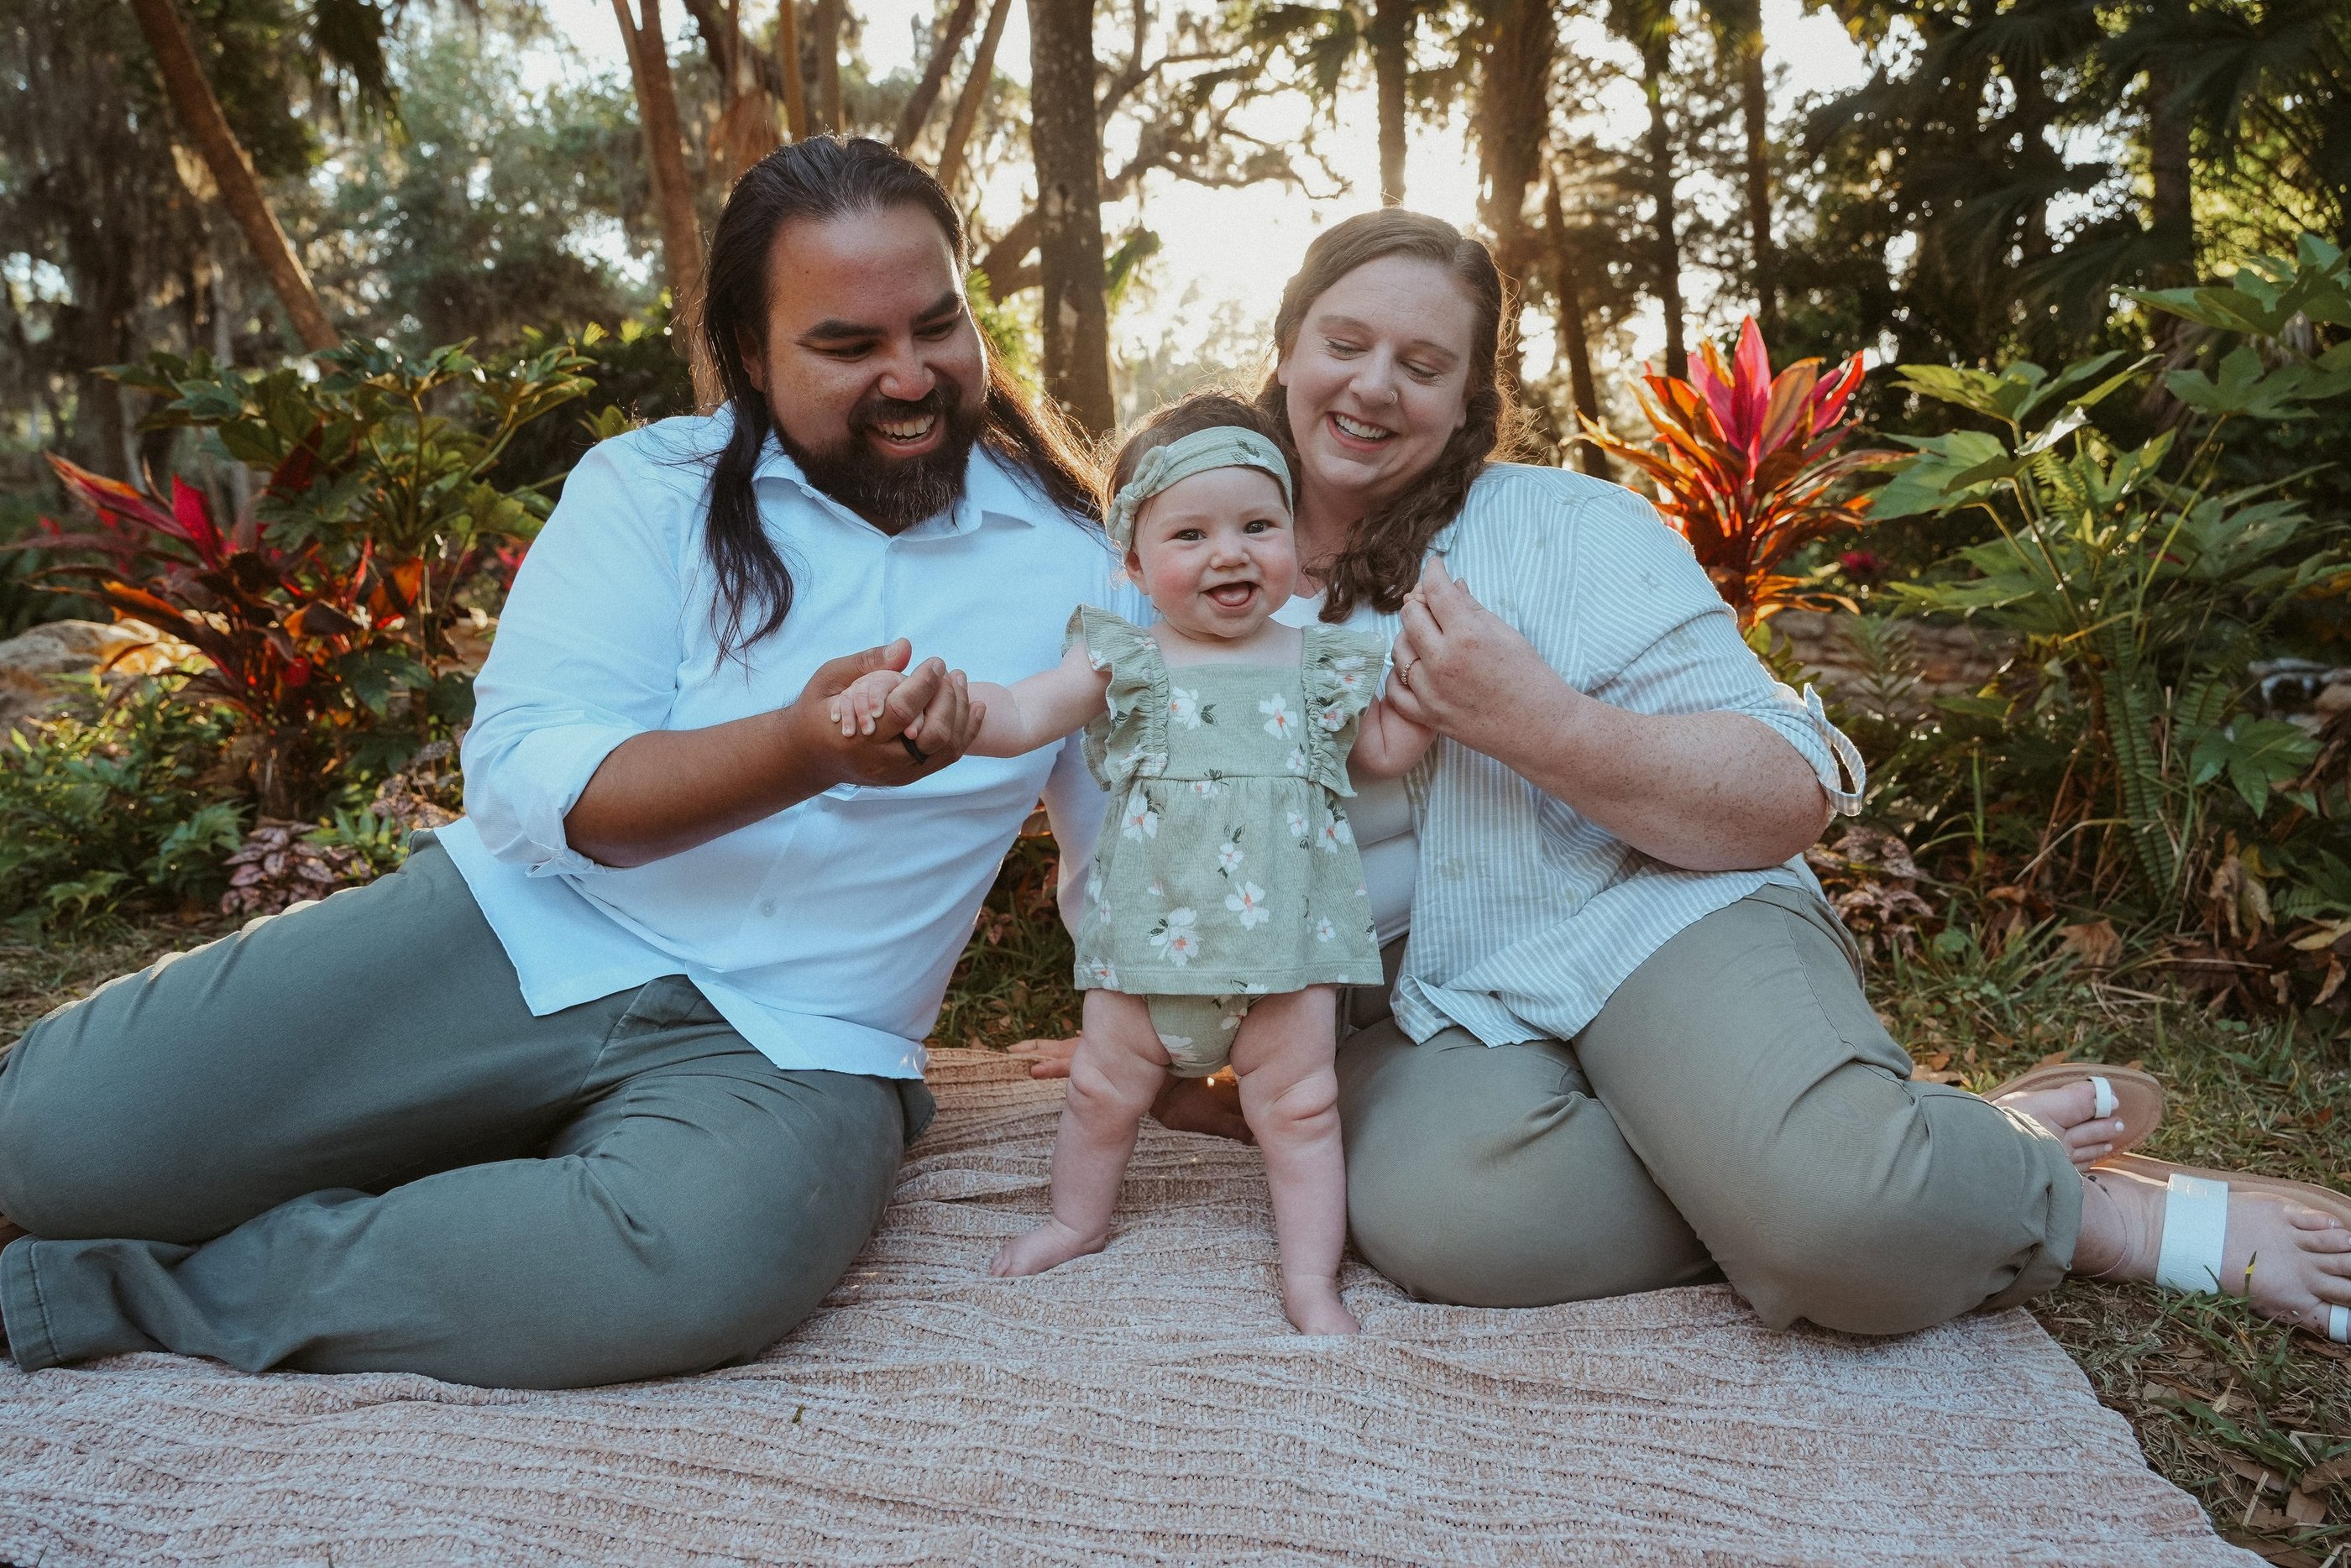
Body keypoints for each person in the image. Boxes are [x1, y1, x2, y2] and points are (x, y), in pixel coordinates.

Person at [1020, 207, 2351, 1346]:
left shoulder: (1565, 528)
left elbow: (1787, 789)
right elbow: (1136, 829)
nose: (1375, 387)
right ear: (1289, 344)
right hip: (1434, 1008)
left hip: (1648, 909)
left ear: (1472, 399)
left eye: (1424, 365)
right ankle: (1892, 1141)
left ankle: (2080, 1205)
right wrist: (1174, 1043)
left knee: (1843, 1225)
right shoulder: (1177, 548)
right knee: (1449, 1224)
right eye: (1347, 342)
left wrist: (1536, 721)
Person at [0, 137, 1134, 1388]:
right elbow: (532, 780)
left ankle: (107, 1291)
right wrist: (802, 749)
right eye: (849, 347)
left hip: (798, 1049)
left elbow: (1129, 855)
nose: (910, 376)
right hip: (524, 932)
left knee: (692, 1262)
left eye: (938, 326)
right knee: (52, 1140)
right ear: (752, 357)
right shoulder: (650, 491)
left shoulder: (1078, 564)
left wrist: (1195, 1046)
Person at [841, 393, 1432, 1334]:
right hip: (1147, 942)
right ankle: (1076, 1218)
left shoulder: (1323, 661)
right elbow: (1025, 712)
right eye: (1189, 533)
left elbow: (1385, 756)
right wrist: (936, 701)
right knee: (1102, 1091)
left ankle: (1309, 1280)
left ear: (1291, 534)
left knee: (1303, 1110)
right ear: (1134, 561)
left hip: (1284, 945)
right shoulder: (1127, 658)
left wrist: (1429, 697)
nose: (1228, 552)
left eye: (1255, 524)